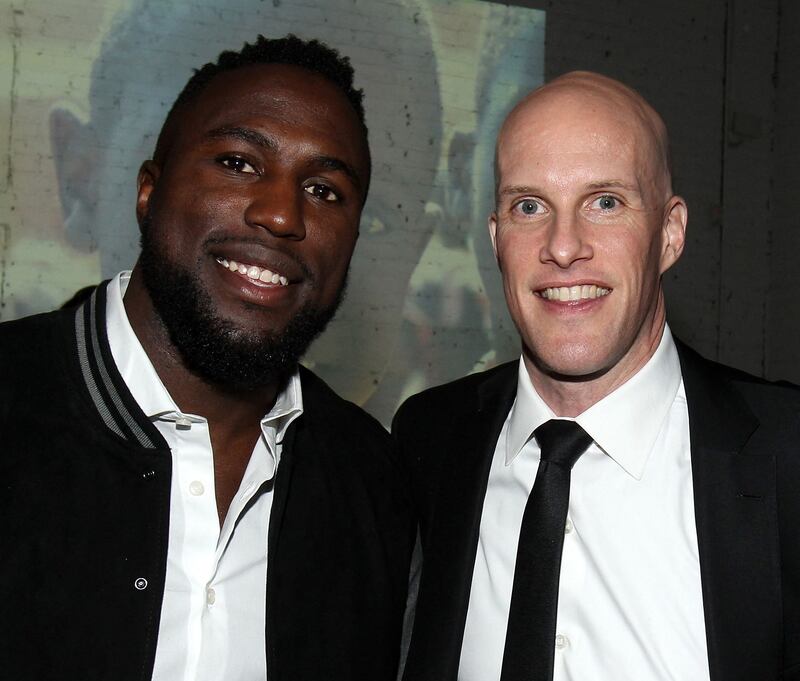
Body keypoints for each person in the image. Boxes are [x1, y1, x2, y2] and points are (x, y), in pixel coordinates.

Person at [0, 35, 412, 681]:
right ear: (148, 192)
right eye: (238, 162)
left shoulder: (374, 484)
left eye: (325, 190)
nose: (281, 214)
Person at [394, 71, 800, 681]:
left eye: (605, 202)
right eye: (529, 206)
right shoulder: (428, 438)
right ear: (496, 236)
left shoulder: (786, 454)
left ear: (669, 233)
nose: (563, 246)